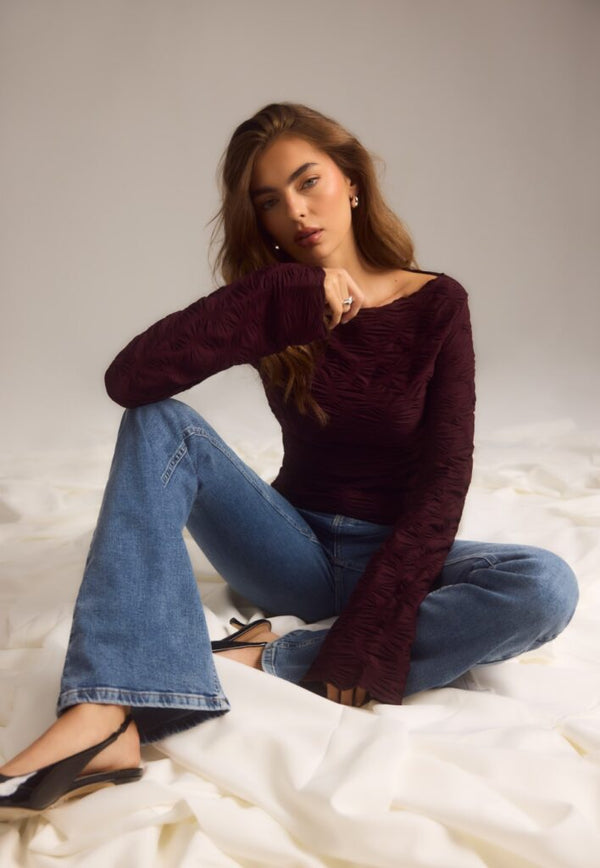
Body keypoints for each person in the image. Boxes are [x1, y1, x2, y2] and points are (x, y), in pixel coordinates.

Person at [0, 102, 579, 819]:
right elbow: (131, 382)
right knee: (159, 423)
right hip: (286, 547)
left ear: (352, 182)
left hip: (392, 554)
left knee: (544, 586)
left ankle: (254, 659)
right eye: (270, 201)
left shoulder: (437, 303)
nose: (297, 211)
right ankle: (100, 715)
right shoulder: (278, 303)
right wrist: (279, 293)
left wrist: (372, 626)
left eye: (309, 182)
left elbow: (444, 477)